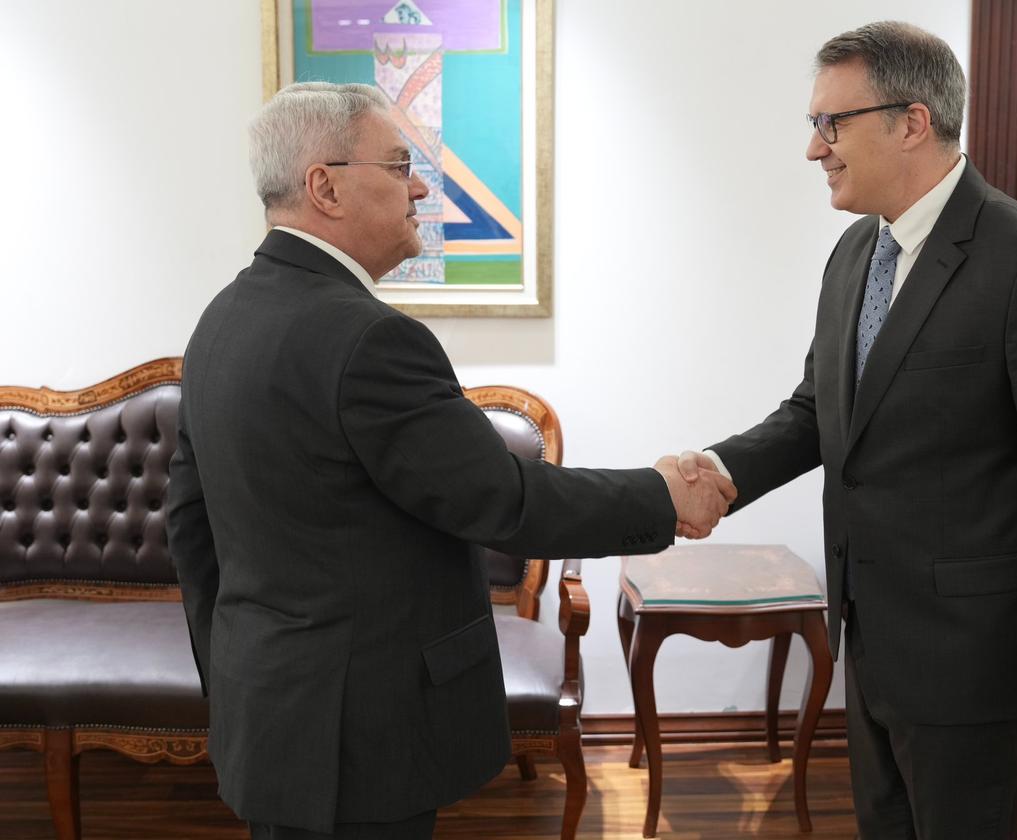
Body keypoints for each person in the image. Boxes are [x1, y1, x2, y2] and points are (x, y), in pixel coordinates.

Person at [166, 82, 734, 840]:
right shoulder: (367, 339)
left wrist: (241, 672)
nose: (420, 185)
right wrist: (663, 495)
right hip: (362, 735)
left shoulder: (222, 320)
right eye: (400, 163)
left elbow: (188, 522)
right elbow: (505, 501)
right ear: (324, 186)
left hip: (271, 718)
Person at [672, 21, 1017, 839]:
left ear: (912, 121)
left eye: (832, 123)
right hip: (871, 642)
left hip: (977, 666)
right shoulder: (858, 253)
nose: (815, 149)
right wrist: (717, 471)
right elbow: (818, 413)